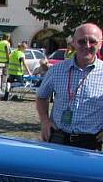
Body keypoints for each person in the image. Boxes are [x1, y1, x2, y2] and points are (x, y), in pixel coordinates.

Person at [36, 22, 103, 151]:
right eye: (82, 41)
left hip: (90, 143)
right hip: (57, 139)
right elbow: (41, 97)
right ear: (73, 43)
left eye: (93, 41)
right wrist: (45, 121)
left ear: (100, 44)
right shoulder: (56, 70)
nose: (87, 46)